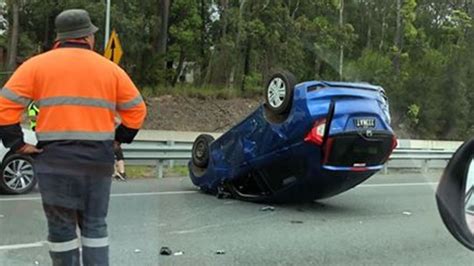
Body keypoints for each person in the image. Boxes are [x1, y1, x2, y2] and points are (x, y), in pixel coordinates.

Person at [0, 9, 147, 266]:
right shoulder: (109, 69)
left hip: (55, 160)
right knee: (95, 226)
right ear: (88, 37)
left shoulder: (36, 66)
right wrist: (118, 139)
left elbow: (4, 107)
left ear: (59, 38)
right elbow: (137, 109)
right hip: (97, 160)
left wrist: (17, 143)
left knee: (62, 229)